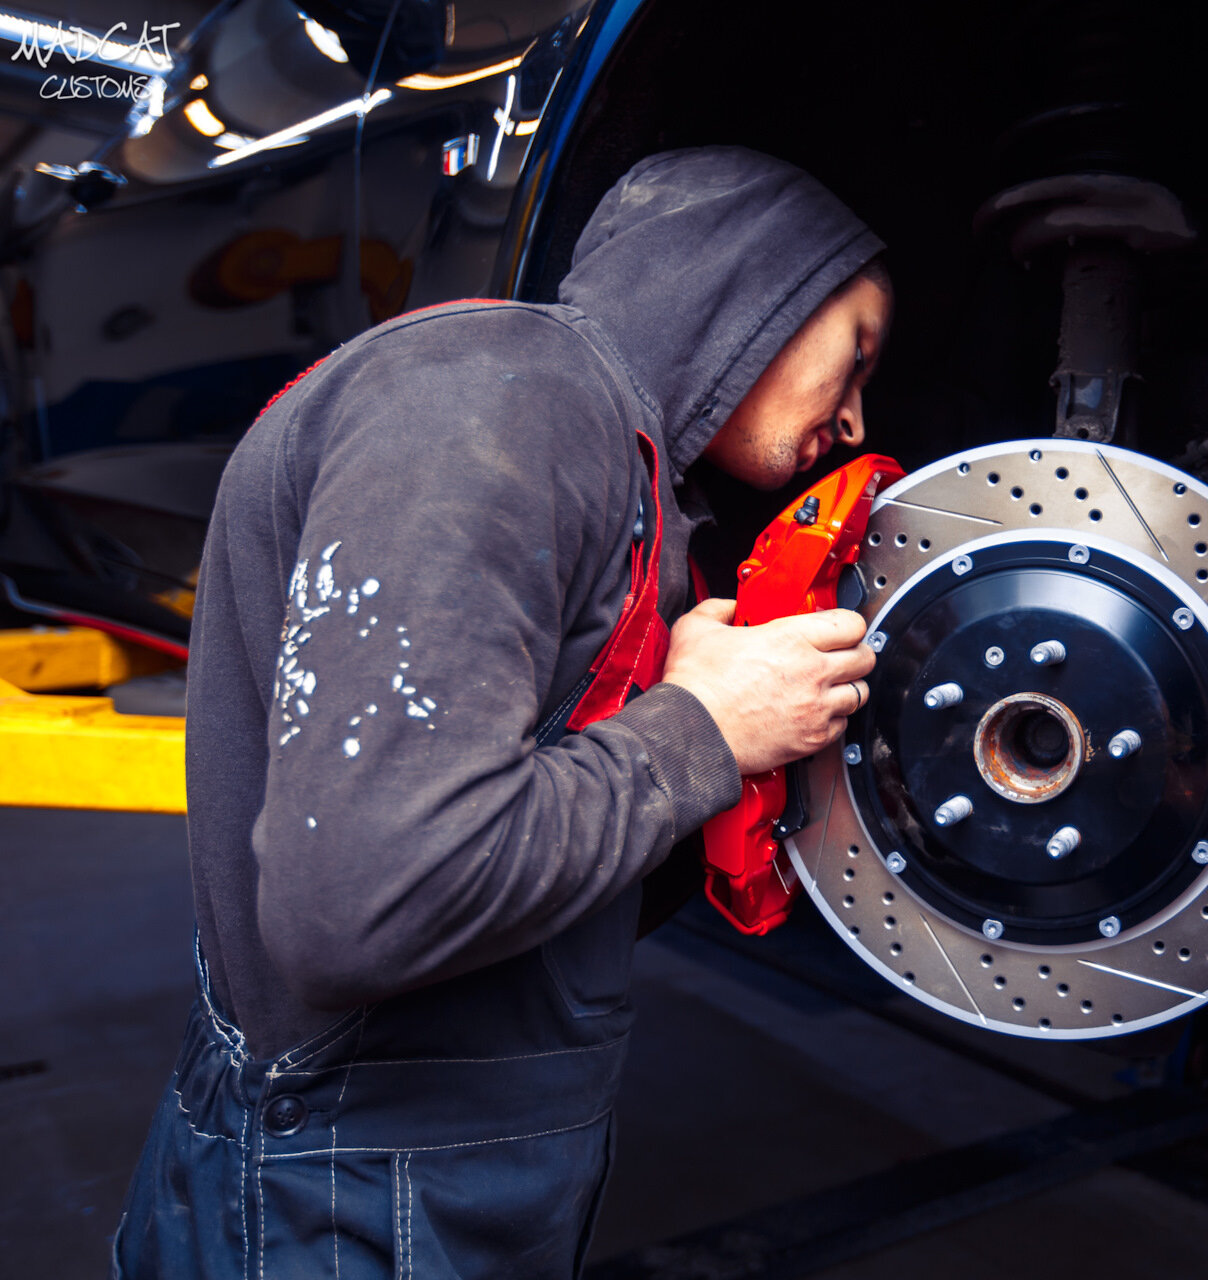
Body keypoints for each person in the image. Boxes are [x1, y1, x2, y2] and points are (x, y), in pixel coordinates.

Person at [112, 147, 890, 1277]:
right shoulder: (499, 395)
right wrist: (700, 728)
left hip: (423, 1173)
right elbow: (363, 902)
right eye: (856, 350)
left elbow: (539, 856)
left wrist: (713, 734)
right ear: (753, 281)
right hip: (336, 1196)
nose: (859, 418)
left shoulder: (616, 468)